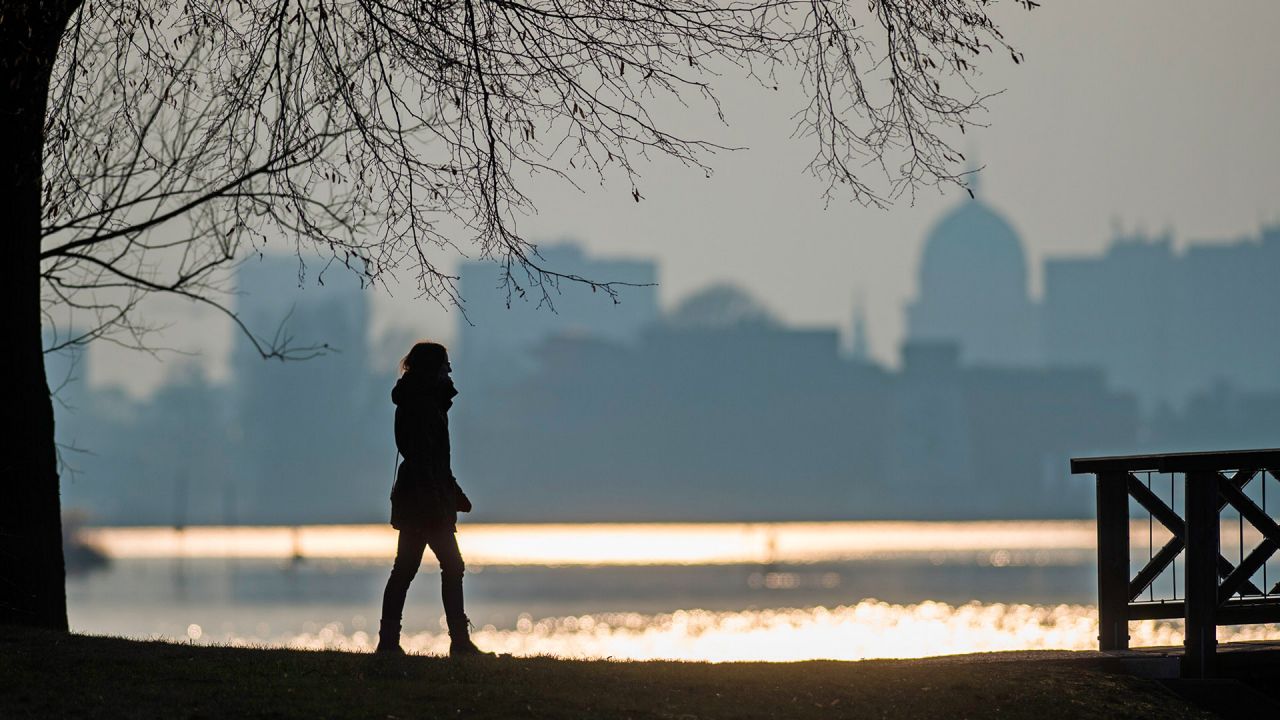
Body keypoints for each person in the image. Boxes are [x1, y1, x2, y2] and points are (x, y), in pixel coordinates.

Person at [377, 341, 490, 657]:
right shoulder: (424, 406)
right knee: (449, 566)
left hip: (421, 499)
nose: (450, 370)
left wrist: (454, 495)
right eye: (445, 365)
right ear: (433, 369)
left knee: (407, 569)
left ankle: (390, 641)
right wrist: (445, 498)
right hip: (425, 502)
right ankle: (458, 642)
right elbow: (428, 460)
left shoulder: (424, 402)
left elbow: (433, 460)